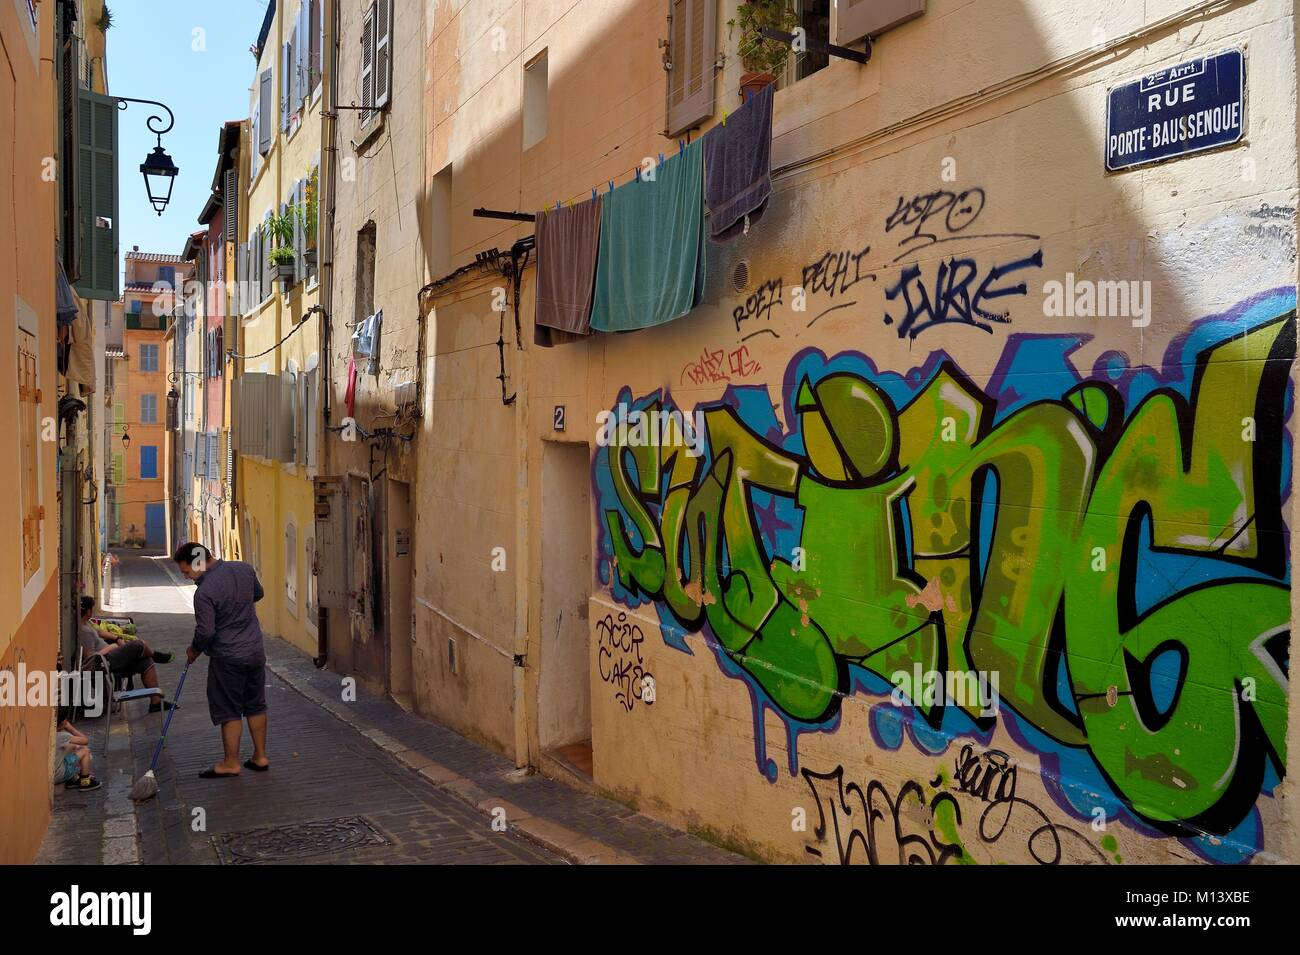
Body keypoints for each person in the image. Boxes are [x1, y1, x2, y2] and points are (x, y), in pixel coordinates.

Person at [172, 542, 270, 778]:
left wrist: (194, 650)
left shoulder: (204, 593)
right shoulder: (244, 569)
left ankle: (231, 763)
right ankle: (260, 756)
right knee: (256, 704)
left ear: (198, 562)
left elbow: (206, 631)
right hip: (255, 651)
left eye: (186, 571)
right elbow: (258, 593)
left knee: (229, 709)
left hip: (228, 657)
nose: (186, 577)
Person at [78, 596, 174, 714]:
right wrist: (111, 647)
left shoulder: (88, 623)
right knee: (138, 644)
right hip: (103, 662)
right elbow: (90, 658)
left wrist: (117, 638)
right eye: (92, 609)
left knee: (146, 662)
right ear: (88, 611)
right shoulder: (84, 631)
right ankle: (155, 655)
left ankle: (156, 702)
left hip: (110, 658)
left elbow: (99, 632)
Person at [52, 719, 100, 791]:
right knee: (85, 751)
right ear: (63, 723)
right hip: (58, 776)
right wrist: (70, 728)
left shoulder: (50, 735)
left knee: (72, 747)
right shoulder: (61, 736)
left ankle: (73, 779)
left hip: (50, 775)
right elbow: (85, 740)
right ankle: (85, 782)